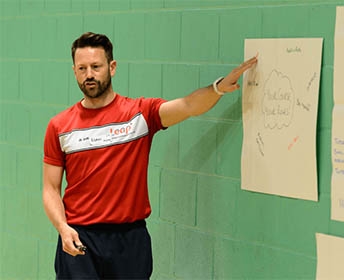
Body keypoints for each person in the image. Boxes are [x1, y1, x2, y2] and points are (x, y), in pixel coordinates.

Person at [42, 32, 257, 279]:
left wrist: (217, 88)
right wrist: (62, 228)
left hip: (130, 240)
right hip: (80, 238)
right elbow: (50, 188)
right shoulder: (60, 126)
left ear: (112, 67)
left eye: (96, 66)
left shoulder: (140, 115)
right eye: (82, 68)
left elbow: (187, 106)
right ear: (74, 71)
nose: (89, 74)